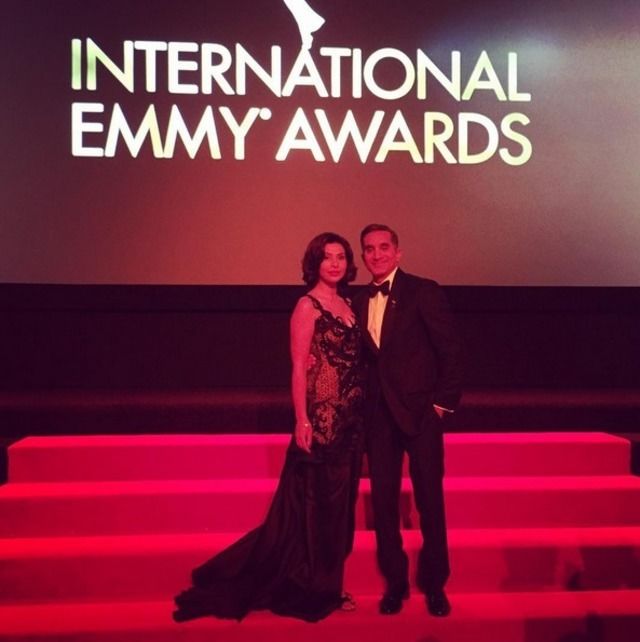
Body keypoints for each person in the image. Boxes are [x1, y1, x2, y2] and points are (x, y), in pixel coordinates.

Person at [173, 232, 364, 623]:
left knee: (338, 512)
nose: (334, 263)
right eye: (326, 257)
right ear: (315, 263)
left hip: (351, 421)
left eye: (341, 257)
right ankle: (315, 587)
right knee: (316, 510)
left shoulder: (348, 304)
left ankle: (327, 582)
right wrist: (301, 419)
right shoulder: (306, 306)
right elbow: (298, 368)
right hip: (321, 420)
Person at [353, 223, 463, 617]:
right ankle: (395, 584)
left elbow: (450, 350)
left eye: (384, 247)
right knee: (383, 505)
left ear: (397, 252)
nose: (377, 254)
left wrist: (442, 405)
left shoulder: (423, 291)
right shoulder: (358, 300)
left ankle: (435, 585)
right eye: (369, 249)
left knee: (430, 502)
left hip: (421, 415)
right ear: (363, 256)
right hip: (378, 418)